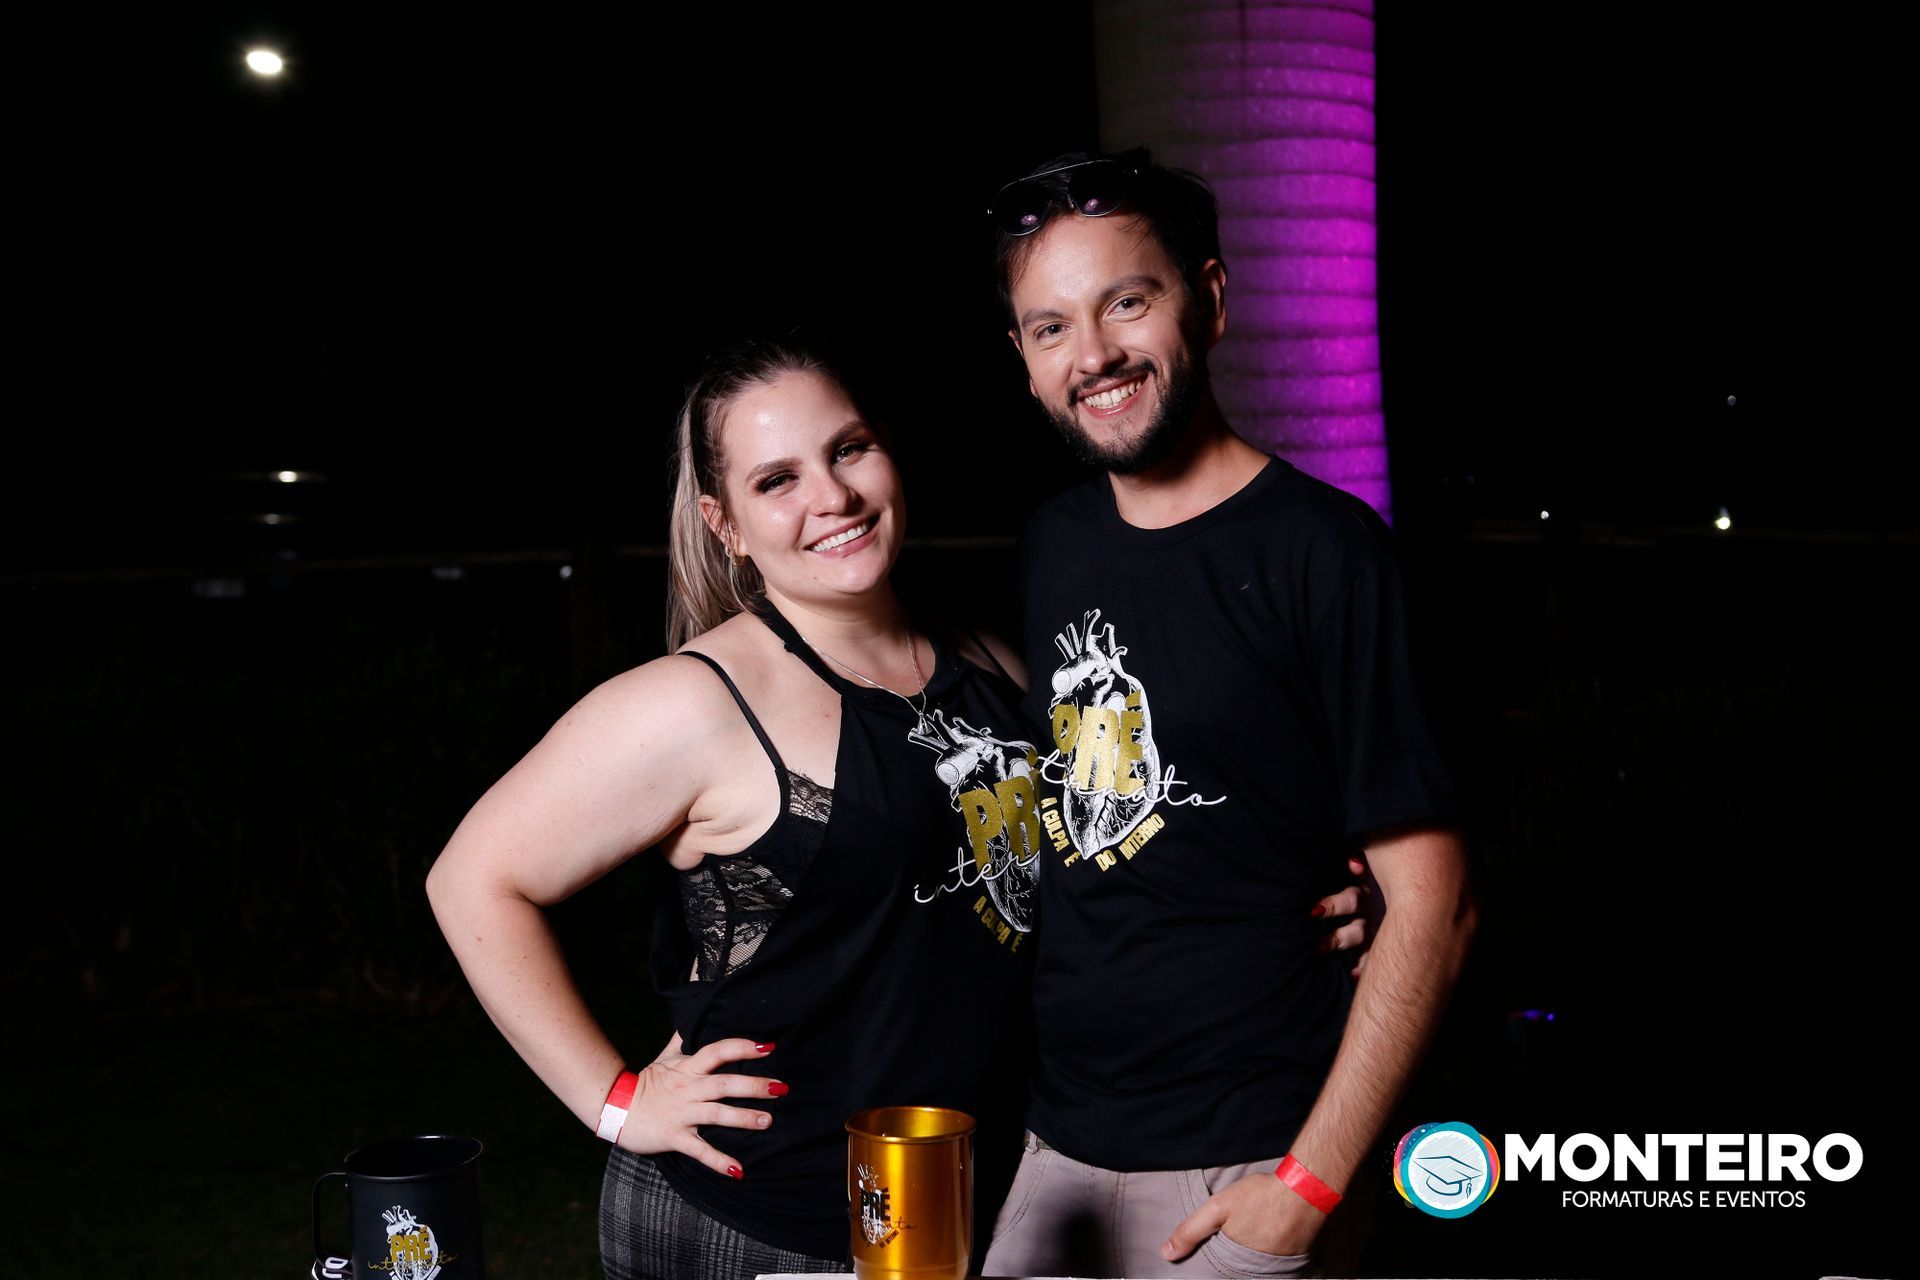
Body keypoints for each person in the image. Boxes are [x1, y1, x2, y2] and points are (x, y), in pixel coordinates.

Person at [424, 337, 1045, 1279]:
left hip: (968, 1203)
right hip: (757, 1221)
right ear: (726, 524)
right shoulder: (696, 702)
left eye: (848, 450)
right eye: (777, 480)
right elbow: (472, 881)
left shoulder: (987, 657)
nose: (832, 498)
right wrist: (617, 1101)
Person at [979, 150, 1476, 1278]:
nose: (1093, 355)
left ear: (1208, 299)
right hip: (1058, 1144)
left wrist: (1308, 1186)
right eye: (1051, 327)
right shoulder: (1052, 544)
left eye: (1127, 302)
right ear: (1025, 361)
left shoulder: (1326, 552)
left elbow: (1436, 904)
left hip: (1245, 1161)